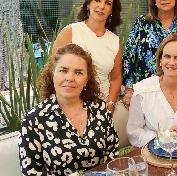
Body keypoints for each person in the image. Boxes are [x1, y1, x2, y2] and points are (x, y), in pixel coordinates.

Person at [18, 44, 119, 175]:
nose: (70, 78)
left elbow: (112, 154)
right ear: (53, 74)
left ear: (86, 80)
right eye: (63, 70)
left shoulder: (100, 109)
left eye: (78, 72)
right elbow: (31, 172)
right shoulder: (35, 119)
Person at [126, 34, 177, 147]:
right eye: (167, 56)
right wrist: (162, 138)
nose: (171, 62)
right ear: (160, 59)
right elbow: (133, 131)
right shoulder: (142, 91)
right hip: (153, 157)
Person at [52, 0, 123, 114]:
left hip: (101, 109)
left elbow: (116, 78)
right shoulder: (70, 32)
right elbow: (53, 70)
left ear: (111, 10)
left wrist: (110, 104)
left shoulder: (115, 42)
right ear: (88, 4)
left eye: (108, 3)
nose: (102, 6)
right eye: (97, 0)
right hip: (69, 105)